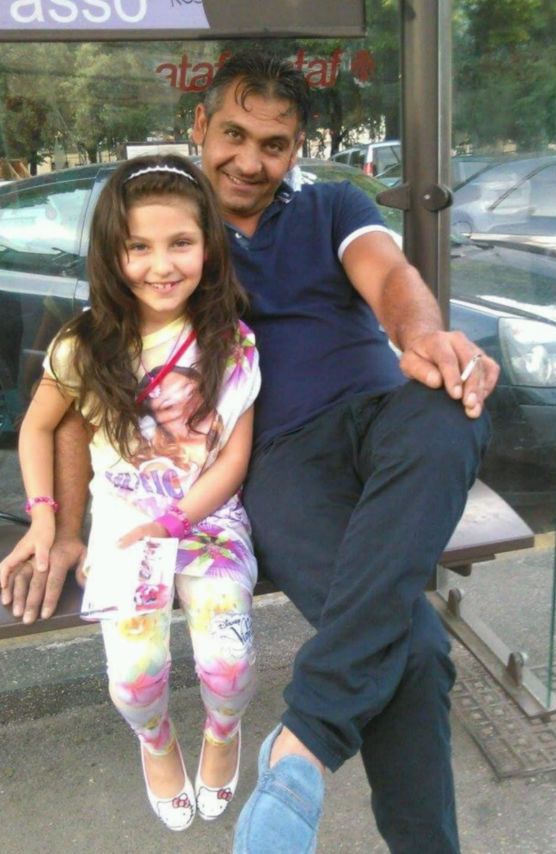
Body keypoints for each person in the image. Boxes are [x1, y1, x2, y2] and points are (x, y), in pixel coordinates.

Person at [0, 52, 499, 853]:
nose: (250, 160)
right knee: (414, 648)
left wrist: (425, 336)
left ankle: (307, 732)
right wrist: (56, 525)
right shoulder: (171, 234)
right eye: (233, 133)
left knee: (455, 396)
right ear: (200, 126)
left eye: (274, 143)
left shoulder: (331, 205)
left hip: (380, 419)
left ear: (296, 148)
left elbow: (391, 276)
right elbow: (83, 397)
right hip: (281, 461)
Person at [0, 154, 261, 832]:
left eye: (181, 242)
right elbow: (37, 427)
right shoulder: (84, 344)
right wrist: (44, 520)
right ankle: (157, 743)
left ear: (209, 245)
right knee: (135, 679)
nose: (161, 265)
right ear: (111, 253)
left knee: (228, 662)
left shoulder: (229, 342)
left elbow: (233, 458)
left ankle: (223, 732)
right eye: (137, 247)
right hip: (123, 528)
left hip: (207, 521)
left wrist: (177, 519)